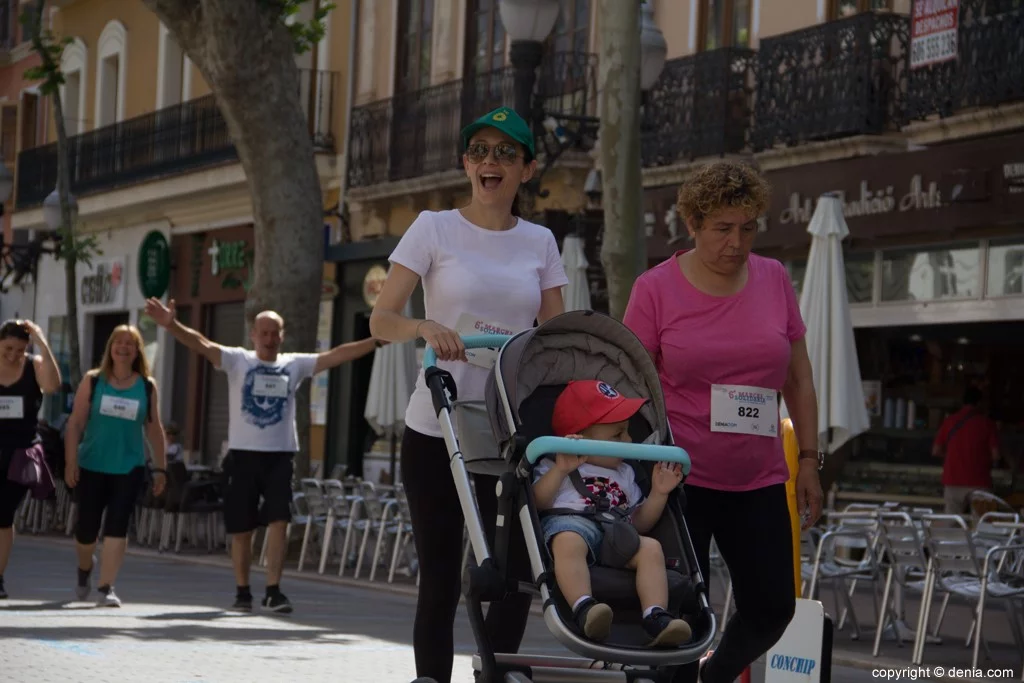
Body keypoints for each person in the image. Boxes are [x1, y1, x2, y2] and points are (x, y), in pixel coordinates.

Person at [369, 105, 568, 683]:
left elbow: (555, 339)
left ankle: (496, 671)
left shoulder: (541, 241)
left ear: (526, 170)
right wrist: (423, 328)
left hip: (510, 433)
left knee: (513, 570)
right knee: (438, 574)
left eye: (507, 153)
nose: (491, 162)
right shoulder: (434, 228)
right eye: (480, 151)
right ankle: (431, 677)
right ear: (465, 163)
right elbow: (382, 319)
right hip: (439, 427)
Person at [622, 161, 823, 683]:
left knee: (774, 606)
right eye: (723, 228)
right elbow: (627, 389)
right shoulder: (655, 289)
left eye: (748, 227)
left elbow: (798, 380)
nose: (737, 242)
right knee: (684, 617)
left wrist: (808, 461)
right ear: (692, 223)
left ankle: (716, 678)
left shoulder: (775, 279)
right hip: (679, 478)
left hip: (758, 476)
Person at [145, 297, 380, 613]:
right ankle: (243, 591)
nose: (269, 339)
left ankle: (273, 590)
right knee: (242, 529)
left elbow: (336, 356)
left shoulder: (293, 364)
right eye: (264, 333)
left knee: (279, 522)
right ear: (253, 334)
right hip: (242, 457)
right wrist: (171, 324)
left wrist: (375, 340)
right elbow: (200, 343)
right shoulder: (237, 360)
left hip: (280, 456)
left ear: (282, 336)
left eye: (275, 333)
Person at [532, 380, 691, 647]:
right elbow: (537, 502)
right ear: (580, 437)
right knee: (567, 539)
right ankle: (585, 608)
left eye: (627, 433)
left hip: (617, 531)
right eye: (618, 436)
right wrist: (561, 469)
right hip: (573, 522)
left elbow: (639, 522)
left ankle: (655, 615)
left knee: (651, 547)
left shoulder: (625, 473)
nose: (628, 442)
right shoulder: (555, 463)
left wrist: (658, 494)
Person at [64, 325, 167, 607]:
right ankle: (85, 568)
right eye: (118, 342)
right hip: (92, 464)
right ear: (110, 347)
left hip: (129, 466)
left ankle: (106, 586)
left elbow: (154, 429)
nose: (123, 348)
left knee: (117, 527)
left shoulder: (146, 386)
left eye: (130, 344)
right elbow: (75, 423)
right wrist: (71, 460)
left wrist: (160, 467)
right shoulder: (94, 380)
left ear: (137, 352)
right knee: (86, 530)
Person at [0, 319, 61, 599]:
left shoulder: (34, 365)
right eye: (7, 349)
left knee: (3, 514)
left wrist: (42, 342)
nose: (13, 355)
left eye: (20, 350)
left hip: (20, 454)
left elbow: (52, 386)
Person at [932, 385, 1000, 514]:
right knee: (981, 525)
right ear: (979, 403)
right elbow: (996, 455)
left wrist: (955, 456)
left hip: (953, 481)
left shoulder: (949, 421)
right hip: (980, 482)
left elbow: (936, 450)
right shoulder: (987, 424)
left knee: (952, 524)